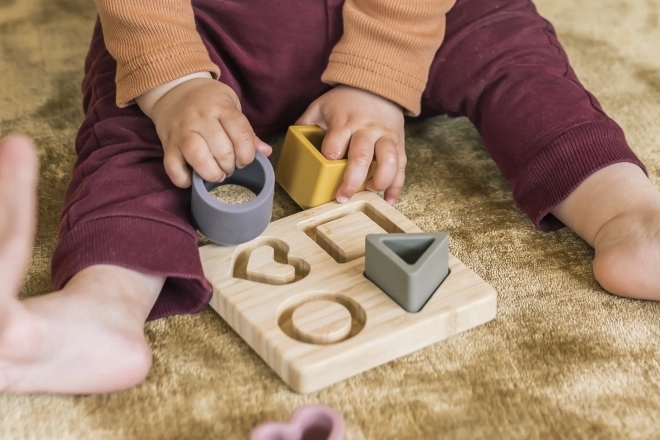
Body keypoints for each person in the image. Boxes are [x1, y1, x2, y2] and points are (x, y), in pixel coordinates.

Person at [2, 0, 659, 394]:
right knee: (144, 132)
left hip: (411, 19)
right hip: (203, 31)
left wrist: (380, 73)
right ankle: (101, 309)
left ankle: (626, 213)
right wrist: (173, 83)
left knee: (509, 44)